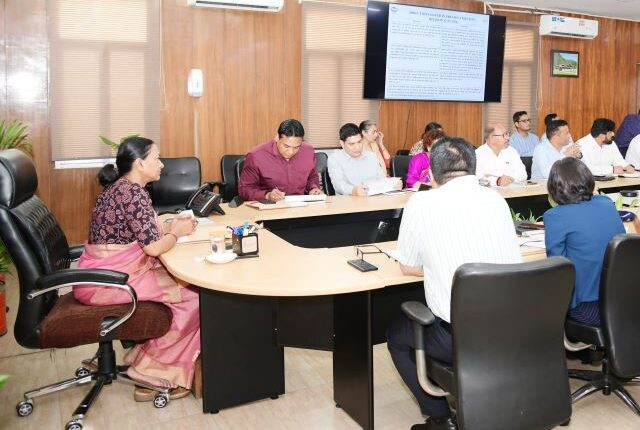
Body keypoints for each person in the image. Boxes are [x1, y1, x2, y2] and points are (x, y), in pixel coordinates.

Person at [386, 137, 521, 430]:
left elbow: (407, 266)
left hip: (460, 336)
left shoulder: (421, 202)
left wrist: (439, 265)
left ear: (432, 175)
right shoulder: (496, 199)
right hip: (511, 328)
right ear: (473, 168)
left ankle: (440, 417)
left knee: (396, 334)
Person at [75, 137, 200, 400]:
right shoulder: (132, 193)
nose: (162, 164)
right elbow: (153, 248)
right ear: (140, 164)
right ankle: (152, 370)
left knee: (183, 283)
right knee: (195, 298)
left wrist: (170, 226)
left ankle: (143, 355)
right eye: (157, 158)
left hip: (101, 276)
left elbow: (139, 232)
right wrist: (176, 233)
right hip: (108, 282)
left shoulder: (123, 188)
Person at [544, 157, 625, 326]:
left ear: (553, 187)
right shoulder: (606, 203)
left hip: (586, 306)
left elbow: (557, 266)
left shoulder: (555, 216)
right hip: (622, 301)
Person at [238, 119, 322, 201]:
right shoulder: (256, 155)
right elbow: (244, 189)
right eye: (286, 146)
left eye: (296, 147)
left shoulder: (308, 151)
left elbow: (312, 177)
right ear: (277, 138)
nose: (291, 152)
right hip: (269, 205)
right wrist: (267, 195)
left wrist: (313, 188)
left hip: (300, 205)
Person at [328, 123, 400, 195]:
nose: (357, 147)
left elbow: (381, 178)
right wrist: (353, 190)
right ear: (342, 144)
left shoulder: (371, 156)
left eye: (359, 142)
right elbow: (339, 185)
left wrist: (392, 185)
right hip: (349, 199)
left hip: (374, 198)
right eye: (352, 144)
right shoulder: (335, 159)